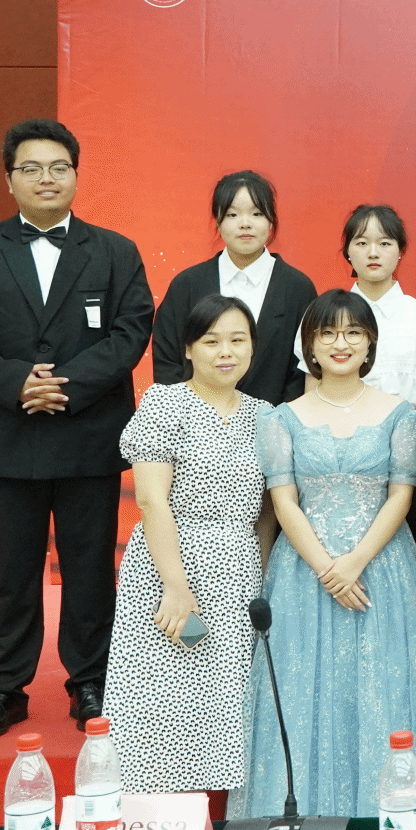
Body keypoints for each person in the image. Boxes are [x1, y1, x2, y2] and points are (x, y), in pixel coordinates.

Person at [0, 119, 155, 740]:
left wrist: (68, 385)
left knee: (90, 569)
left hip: (88, 435)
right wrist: (16, 383)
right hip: (6, 435)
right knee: (10, 572)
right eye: (31, 169)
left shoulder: (115, 252)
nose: (46, 178)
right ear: (10, 181)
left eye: (59, 167)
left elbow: (132, 330)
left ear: (76, 176)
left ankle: (91, 682)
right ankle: (4, 689)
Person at [234, 289, 416, 815]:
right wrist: (327, 568)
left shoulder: (401, 414)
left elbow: (401, 495)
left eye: (353, 333)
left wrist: (355, 562)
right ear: (310, 346)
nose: (341, 344)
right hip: (303, 573)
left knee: (386, 686)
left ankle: (393, 819)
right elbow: (283, 500)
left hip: (382, 569)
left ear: (370, 344)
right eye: (328, 333)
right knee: (305, 690)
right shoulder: (281, 418)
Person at [104, 296, 270, 793]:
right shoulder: (165, 404)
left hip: (238, 571)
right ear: (189, 349)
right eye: (211, 341)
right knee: (162, 690)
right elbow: (151, 501)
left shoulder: (265, 416)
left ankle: (217, 807)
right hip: (171, 563)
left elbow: (266, 514)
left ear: (253, 348)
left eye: (238, 340)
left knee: (223, 690)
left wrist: (263, 578)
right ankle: (156, 810)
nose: (226, 352)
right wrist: (175, 587)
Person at [299, 204, 416, 589]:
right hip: (340, 463)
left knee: (409, 577)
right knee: (336, 572)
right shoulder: (321, 316)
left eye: (384, 243)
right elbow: (311, 392)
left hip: (405, 465)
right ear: (347, 253)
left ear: (400, 251)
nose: (373, 252)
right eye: (361, 242)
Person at [151, 170, 317, 404]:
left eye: (257, 213)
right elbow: (167, 362)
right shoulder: (186, 285)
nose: (245, 224)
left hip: (274, 420)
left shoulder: (298, 289)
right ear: (217, 221)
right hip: (195, 422)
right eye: (232, 214)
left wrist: (278, 420)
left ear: (271, 220)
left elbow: (303, 370)